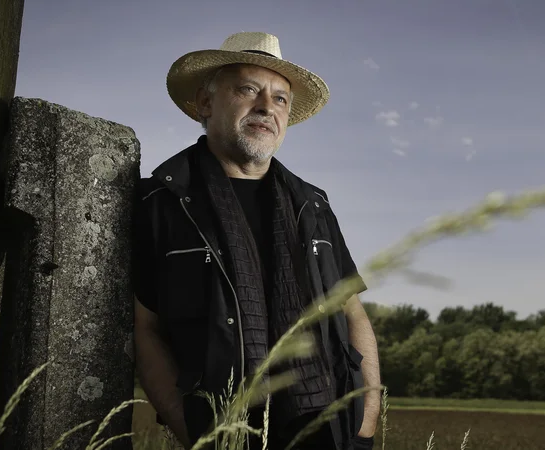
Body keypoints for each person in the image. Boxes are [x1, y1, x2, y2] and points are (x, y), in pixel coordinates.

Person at [132, 31, 381, 450]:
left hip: (329, 431)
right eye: (248, 89)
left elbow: (353, 313)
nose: (267, 107)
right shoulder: (163, 202)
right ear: (206, 103)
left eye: (280, 98)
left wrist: (365, 424)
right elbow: (146, 329)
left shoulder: (312, 206)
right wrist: (193, 432)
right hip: (223, 433)